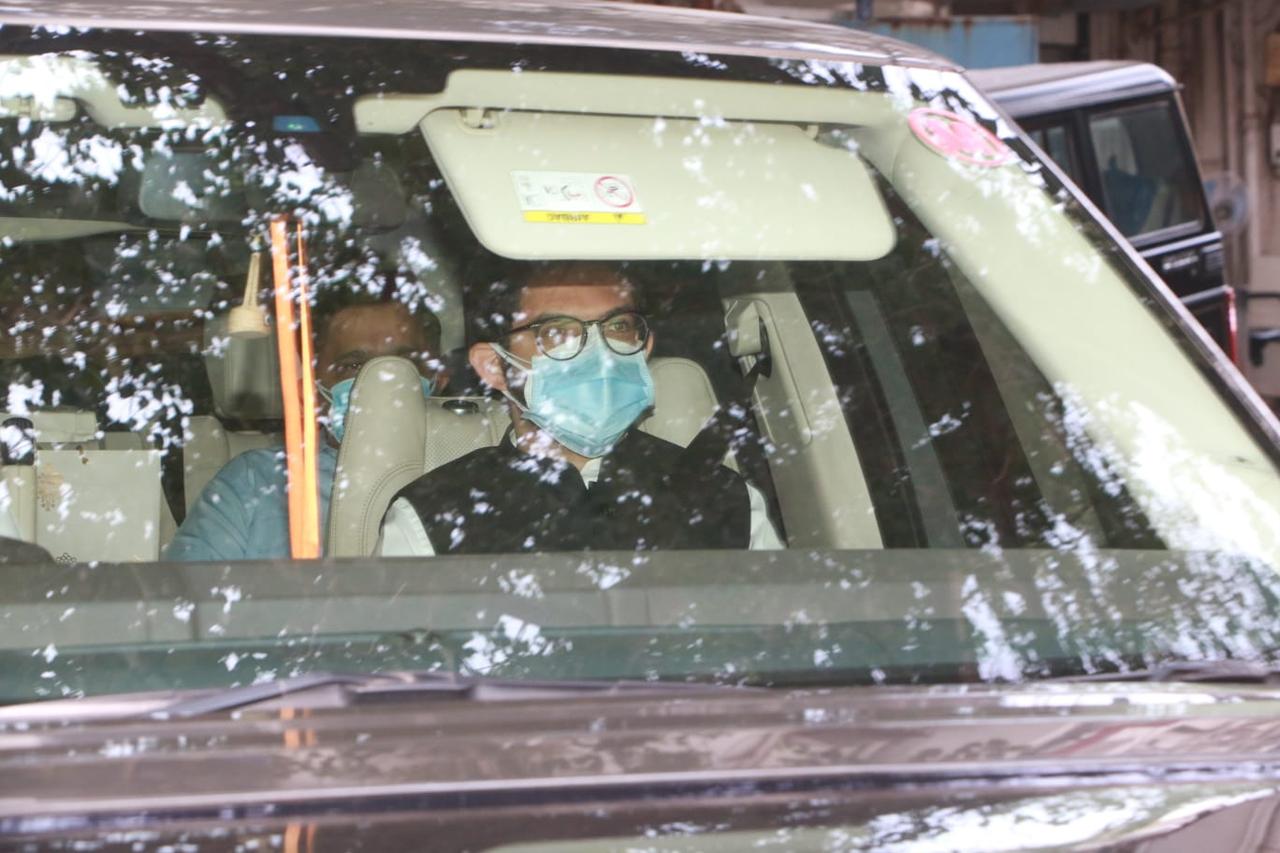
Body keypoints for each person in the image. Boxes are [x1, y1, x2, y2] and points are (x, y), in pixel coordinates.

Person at [379, 262, 782, 556]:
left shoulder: (726, 500)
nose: (597, 354)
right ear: (494, 366)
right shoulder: (434, 514)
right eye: (557, 334)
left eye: (617, 327)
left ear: (643, 349)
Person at [166, 293, 448, 561]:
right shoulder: (254, 486)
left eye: (403, 363)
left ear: (440, 379)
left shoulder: (471, 476)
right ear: (310, 392)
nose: (380, 382)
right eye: (353, 365)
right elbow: (183, 604)